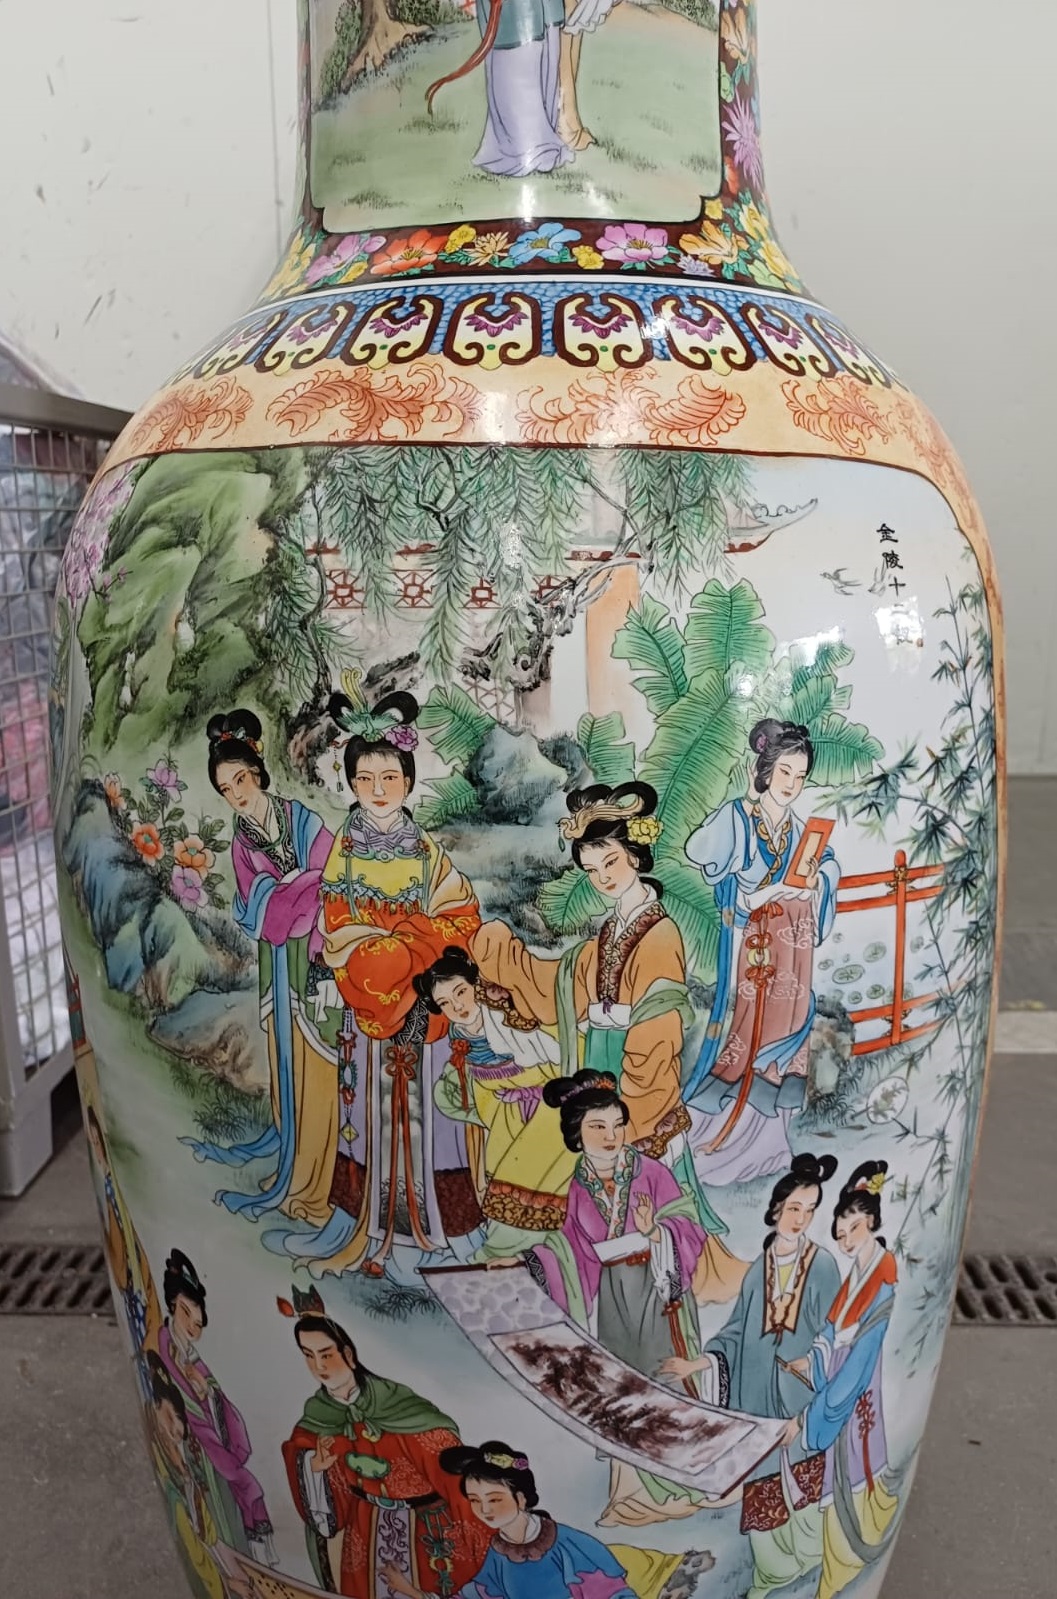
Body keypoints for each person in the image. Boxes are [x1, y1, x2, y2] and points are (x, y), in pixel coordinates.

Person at [474, 782, 738, 1292]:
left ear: (635, 855)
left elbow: (658, 1027)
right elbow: (563, 987)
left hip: (636, 1079)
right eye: (592, 870)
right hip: (598, 1066)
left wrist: (631, 1103)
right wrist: (506, 960)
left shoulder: (660, 934)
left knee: (626, 1191)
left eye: (610, 862)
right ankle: (557, 1271)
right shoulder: (609, 931)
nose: (602, 878)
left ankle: (614, 1281)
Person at [266, 683, 482, 1282]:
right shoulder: (346, 849)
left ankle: (439, 1225)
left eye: (390, 778)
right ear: (352, 784)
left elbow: (460, 911)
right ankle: (366, 1224)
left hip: (424, 1001)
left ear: (408, 782)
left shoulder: (426, 850)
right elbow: (336, 922)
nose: (379, 790)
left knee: (431, 1112)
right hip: (369, 998)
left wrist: (413, 949)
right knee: (367, 1110)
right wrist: (392, 953)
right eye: (365, 779)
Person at [527, 1071, 712, 1528]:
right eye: (597, 1127)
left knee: (662, 1378)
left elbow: (688, 1222)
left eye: (617, 1125)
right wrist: (529, 1261)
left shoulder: (651, 1172)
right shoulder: (578, 1184)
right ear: (577, 1134)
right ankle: (626, 1492)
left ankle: (681, 1484)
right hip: (613, 1295)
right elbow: (571, 1250)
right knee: (618, 1386)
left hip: (656, 1287)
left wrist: (656, 1232)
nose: (611, 1136)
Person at [182, 709, 338, 1227]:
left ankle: (325, 1163)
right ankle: (292, 1147)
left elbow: (333, 874)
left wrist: (300, 894)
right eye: (225, 789)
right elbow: (255, 909)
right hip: (279, 956)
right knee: (287, 1050)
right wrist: (292, 890)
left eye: (240, 781)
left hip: (319, 950)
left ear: (257, 772)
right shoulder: (243, 843)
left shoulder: (300, 818)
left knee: (321, 1054)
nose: (236, 795)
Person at [660, 1153, 841, 1599]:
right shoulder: (760, 1267)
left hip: (799, 1393)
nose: (801, 1218)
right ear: (777, 1208)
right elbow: (737, 1331)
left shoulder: (821, 1265)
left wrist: (812, 1369)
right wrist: (699, 1364)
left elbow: (834, 1332)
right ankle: (771, 1574)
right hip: (754, 1391)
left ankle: (810, 1556)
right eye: (794, 1208)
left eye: (810, 1210)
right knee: (761, 1482)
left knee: (804, 1476)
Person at [684, 720, 841, 1186]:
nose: (791, 784)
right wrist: (760, 894)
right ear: (766, 770)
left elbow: (826, 865)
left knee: (788, 1029)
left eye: (800, 776)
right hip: (752, 943)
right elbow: (700, 853)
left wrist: (816, 882)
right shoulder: (738, 817)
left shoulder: (800, 829)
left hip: (791, 948)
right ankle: (723, 1136)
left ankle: (769, 1143)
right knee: (748, 1032)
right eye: (785, 772)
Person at [280, 1287, 491, 1598]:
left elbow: (451, 1471)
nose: (319, 1366)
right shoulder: (319, 1416)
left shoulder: (398, 1406)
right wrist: (315, 1467)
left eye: (326, 1354)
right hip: (366, 1527)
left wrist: (477, 1537)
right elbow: (302, 1452)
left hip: (425, 1529)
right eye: (308, 1356)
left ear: (348, 1355)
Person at [379, 1439, 712, 1599]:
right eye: (475, 1500)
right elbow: (475, 1597)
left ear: (521, 1499)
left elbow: (613, 1595)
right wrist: (411, 1591)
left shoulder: (567, 1545)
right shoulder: (499, 1553)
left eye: (494, 1499)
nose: (485, 1510)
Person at [780, 1160, 899, 1599]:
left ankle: (842, 1569)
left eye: (852, 1230)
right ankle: (838, 1566)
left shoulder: (883, 1277)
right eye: (840, 1234)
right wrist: (811, 1361)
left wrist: (810, 1416)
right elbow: (831, 1332)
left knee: (853, 1468)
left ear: (871, 1222)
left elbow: (858, 1359)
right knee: (846, 1469)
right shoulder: (856, 1276)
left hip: (854, 1388)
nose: (846, 1241)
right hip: (839, 1376)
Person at [416, 946, 576, 1263]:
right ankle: (512, 1251)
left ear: (475, 984)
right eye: (445, 1003)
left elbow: (556, 1058)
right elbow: (470, 1084)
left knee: (526, 1173)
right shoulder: (459, 1035)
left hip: (545, 1104)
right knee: (501, 1170)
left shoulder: (508, 1014)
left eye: (461, 992)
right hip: (503, 1111)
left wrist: (533, 1091)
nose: (457, 1006)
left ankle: (521, 1250)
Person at [158, 1249, 276, 1566]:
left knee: (238, 1488)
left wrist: (207, 1391)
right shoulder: (165, 1345)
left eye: (197, 1323)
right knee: (230, 1494)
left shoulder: (194, 1359)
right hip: (194, 1445)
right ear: (172, 1305)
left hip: (211, 1443)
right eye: (185, 1313)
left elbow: (218, 1399)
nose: (191, 1327)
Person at [85, 1101, 161, 1397]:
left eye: (98, 1142)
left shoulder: (115, 1187)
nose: (97, 1149)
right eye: (93, 1142)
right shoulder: (110, 1186)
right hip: (132, 1288)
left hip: (137, 1285)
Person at [148, 1355, 229, 1599]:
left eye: (179, 1420)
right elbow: (196, 1545)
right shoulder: (172, 1476)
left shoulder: (187, 1472)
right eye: (169, 1417)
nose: (175, 1429)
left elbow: (210, 1535)